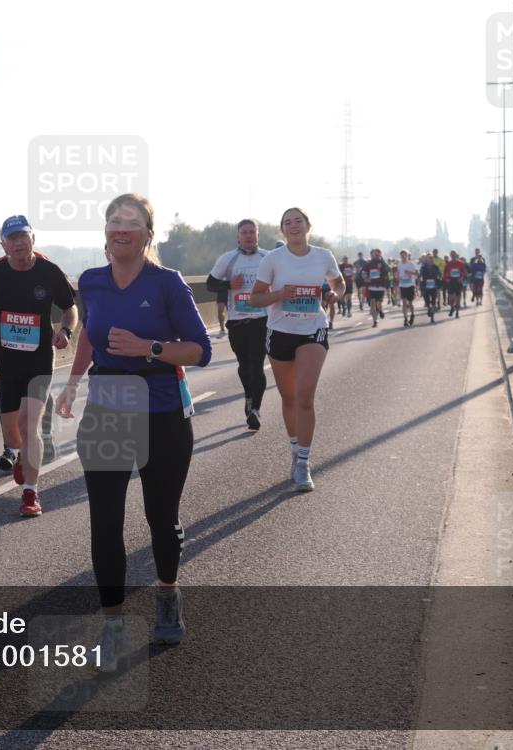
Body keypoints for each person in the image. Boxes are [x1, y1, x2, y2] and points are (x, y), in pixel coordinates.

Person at [55, 193, 211, 667]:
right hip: (108, 406)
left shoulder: (167, 283)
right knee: (105, 521)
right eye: (112, 221)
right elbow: (88, 334)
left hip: (162, 406)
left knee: (161, 517)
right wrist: (73, 382)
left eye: (131, 222)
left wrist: (150, 346)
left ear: (148, 234)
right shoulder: (92, 281)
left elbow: (200, 349)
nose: (120, 228)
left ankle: (167, 594)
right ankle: (113, 624)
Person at [0, 215, 77, 518]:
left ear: (32, 239)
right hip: (7, 361)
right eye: (11, 239)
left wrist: (65, 331)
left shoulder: (49, 271)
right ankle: (21, 457)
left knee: (30, 426)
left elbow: (70, 309)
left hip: (40, 360)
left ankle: (31, 492)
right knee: (13, 436)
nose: (18, 243)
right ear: (3, 244)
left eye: (23, 237)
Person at [249, 208, 344, 493]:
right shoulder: (273, 259)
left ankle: (303, 463)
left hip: (313, 329)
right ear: (282, 230)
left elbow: (338, 283)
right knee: (289, 398)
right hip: (280, 332)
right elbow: (255, 299)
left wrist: (334, 294)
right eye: (287, 222)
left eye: (298, 221)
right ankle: (294, 448)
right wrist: (280, 294)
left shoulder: (323, 256)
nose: (293, 226)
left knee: (305, 397)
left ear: (307, 226)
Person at [206, 219, 268, 430]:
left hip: (262, 319)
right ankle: (249, 396)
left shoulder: (268, 258)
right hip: (237, 320)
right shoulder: (228, 259)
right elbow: (210, 283)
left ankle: (255, 410)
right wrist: (229, 284)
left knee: (257, 364)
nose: (249, 236)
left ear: (258, 235)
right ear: (238, 236)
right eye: (244, 232)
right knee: (244, 365)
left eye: (252, 232)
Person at [362, 248, 390, 328]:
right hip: (371, 287)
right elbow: (363, 272)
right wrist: (366, 278)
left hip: (380, 287)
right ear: (371, 255)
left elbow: (388, 271)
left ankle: (380, 310)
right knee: (372, 305)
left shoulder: (382, 263)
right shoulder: (369, 263)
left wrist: (383, 261)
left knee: (378, 304)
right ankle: (375, 321)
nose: (375, 255)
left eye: (377, 254)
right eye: (374, 254)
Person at [397, 249, 419, 327]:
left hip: (410, 285)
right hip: (402, 285)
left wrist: (409, 273)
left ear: (407, 255)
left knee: (410, 302)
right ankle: (405, 319)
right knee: (404, 302)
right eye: (402, 255)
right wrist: (398, 277)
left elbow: (417, 274)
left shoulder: (412, 264)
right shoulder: (399, 264)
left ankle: (412, 315)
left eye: (404, 255)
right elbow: (398, 273)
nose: (403, 256)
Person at [419, 254, 443, 324]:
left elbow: (440, 275)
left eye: (431, 258)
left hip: (434, 286)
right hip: (425, 287)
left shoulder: (436, 267)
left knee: (433, 301)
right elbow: (420, 275)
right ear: (427, 260)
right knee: (427, 301)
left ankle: (432, 317)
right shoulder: (423, 267)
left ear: (433, 259)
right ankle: (429, 309)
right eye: (429, 259)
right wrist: (419, 278)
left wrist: (439, 277)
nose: (430, 260)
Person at [443, 250, 467, 318]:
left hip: (458, 281)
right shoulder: (448, 264)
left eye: (454, 254)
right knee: (450, 300)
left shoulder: (460, 263)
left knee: (458, 298)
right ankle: (452, 307)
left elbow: (464, 272)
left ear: (456, 255)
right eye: (451, 255)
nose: (453, 256)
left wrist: (461, 278)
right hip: (451, 281)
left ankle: (457, 312)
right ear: (450, 255)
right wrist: (446, 279)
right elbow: (444, 273)